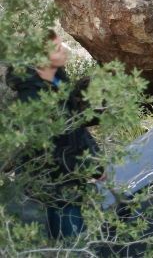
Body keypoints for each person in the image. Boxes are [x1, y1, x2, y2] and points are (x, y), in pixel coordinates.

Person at [8, 30, 97, 239]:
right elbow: (49, 150)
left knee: (66, 227)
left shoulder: (59, 81)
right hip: (55, 178)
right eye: (57, 48)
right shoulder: (32, 97)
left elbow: (76, 127)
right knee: (71, 234)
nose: (64, 50)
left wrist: (96, 161)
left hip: (67, 173)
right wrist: (81, 169)